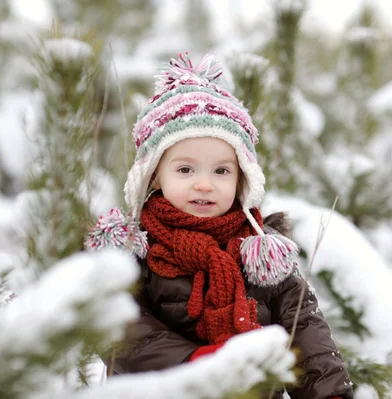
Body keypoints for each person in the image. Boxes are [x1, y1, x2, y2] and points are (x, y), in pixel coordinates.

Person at [86, 53, 354, 399]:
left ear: (242, 178)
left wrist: (328, 392)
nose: (204, 184)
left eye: (221, 171)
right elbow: (120, 327)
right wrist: (194, 361)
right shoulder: (138, 249)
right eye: (185, 169)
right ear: (154, 175)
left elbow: (303, 326)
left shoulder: (261, 253)